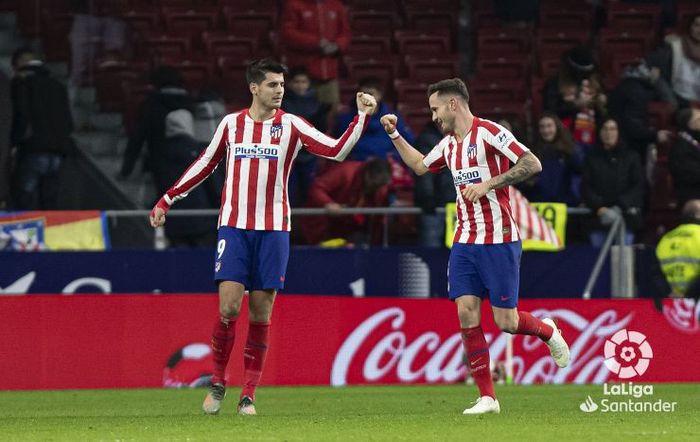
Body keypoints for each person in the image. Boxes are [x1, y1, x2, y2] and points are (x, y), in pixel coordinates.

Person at [149, 59, 377, 415]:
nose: (280, 91)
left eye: (282, 85)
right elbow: (205, 163)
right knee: (228, 306)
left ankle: (249, 394)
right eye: (272, 85)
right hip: (235, 227)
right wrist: (167, 199)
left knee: (261, 311)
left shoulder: (292, 125)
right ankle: (219, 381)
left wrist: (361, 117)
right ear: (254, 87)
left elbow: (336, 150)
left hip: (273, 230)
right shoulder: (231, 124)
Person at [379, 78, 570, 415]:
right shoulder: (448, 144)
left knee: (506, 323)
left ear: (453, 104)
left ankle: (546, 330)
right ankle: (488, 397)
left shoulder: (490, 133)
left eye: (436, 109)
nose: (434, 116)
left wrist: (489, 184)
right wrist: (395, 134)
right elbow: (420, 166)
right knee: (466, 312)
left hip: (499, 239)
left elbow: (532, 163)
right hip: (465, 241)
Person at [10, 48, 75, 210]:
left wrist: (15, 143)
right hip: (57, 153)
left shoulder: (22, 83)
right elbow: (68, 122)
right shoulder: (58, 86)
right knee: (49, 203)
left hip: (33, 149)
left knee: (24, 200)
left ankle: (24, 234)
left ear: (19, 64)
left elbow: (22, 115)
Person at [119, 65, 195, 197]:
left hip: (159, 162)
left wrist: (126, 169)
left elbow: (137, 138)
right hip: (191, 160)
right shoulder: (191, 104)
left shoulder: (151, 105)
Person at [581, 118, 644, 247]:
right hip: (598, 220)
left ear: (619, 132)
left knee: (622, 260)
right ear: (599, 132)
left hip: (625, 219)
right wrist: (600, 208)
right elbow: (585, 187)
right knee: (598, 259)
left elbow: (638, 186)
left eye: (613, 129)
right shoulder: (592, 158)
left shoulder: (631, 157)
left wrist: (619, 207)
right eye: (605, 129)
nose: (608, 133)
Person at [300, 158, 391, 246]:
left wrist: (374, 242)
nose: (375, 188)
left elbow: (379, 218)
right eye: (373, 183)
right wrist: (328, 203)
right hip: (323, 226)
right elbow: (317, 188)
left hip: (352, 231)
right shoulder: (346, 171)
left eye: (379, 185)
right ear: (367, 173)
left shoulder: (381, 187)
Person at [281, 0, 350, 109]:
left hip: (329, 74)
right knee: (300, 116)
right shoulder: (294, 4)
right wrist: (317, 43)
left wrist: (337, 45)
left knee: (330, 116)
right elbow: (288, 33)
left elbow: (345, 33)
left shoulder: (336, 5)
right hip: (303, 76)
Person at [608, 60, 675, 164]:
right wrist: (655, 135)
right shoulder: (636, 93)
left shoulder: (621, 88)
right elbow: (633, 126)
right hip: (629, 149)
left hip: (617, 146)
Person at [335, 77, 415, 162]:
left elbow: (408, 143)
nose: (365, 98)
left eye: (370, 94)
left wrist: (393, 157)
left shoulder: (392, 119)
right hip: (356, 165)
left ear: (379, 96)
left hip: (388, 165)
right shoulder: (346, 119)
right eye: (362, 94)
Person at [282, 66, 330, 206]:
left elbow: (322, 130)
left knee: (310, 192)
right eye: (296, 82)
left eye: (303, 82)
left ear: (309, 84)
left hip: (311, 155)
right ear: (290, 83)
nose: (300, 85)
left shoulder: (319, 105)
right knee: (288, 193)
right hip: (288, 154)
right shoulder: (280, 103)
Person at [543, 45, 607, 151]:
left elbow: (604, 116)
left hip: (593, 140)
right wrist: (575, 105)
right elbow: (549, 111)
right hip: (562, 141)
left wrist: (601, 103)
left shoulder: (595, 83)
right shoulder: (554, 84)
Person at [518, 113, 581, 206]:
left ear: (557, 128)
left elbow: (579, 171)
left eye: (549, 126)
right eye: (542, 127)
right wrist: (528, 184)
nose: (546, 130)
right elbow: (522, 182)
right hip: (538, 204)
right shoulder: (531, 152)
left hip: (565, 205)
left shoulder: (570, 150)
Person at [413, 121, 456, 247]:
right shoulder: (427, 139)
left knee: (458, 253)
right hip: (434, 207)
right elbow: (424, 172)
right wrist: (427, 196)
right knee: (432, 252)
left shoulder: (463, 137)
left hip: (458, 206)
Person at [646, 13, 700, 108]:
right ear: (690, 27)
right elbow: (652, 67)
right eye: (697, 25)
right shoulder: (674, 46)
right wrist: (670, 99)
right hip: (678, 101)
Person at [656, 199, 700, 299]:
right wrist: (688, 294)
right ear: (697, 215)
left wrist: (669, 293)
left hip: (673, 301)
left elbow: (656, 274)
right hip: (696, 299)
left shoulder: (666, 239)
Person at [669, 107, 700, 210]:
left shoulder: (694, 143)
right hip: (691, 196)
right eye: (698, 119)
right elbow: (692, 174)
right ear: (688, 124)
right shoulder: (681, 148)